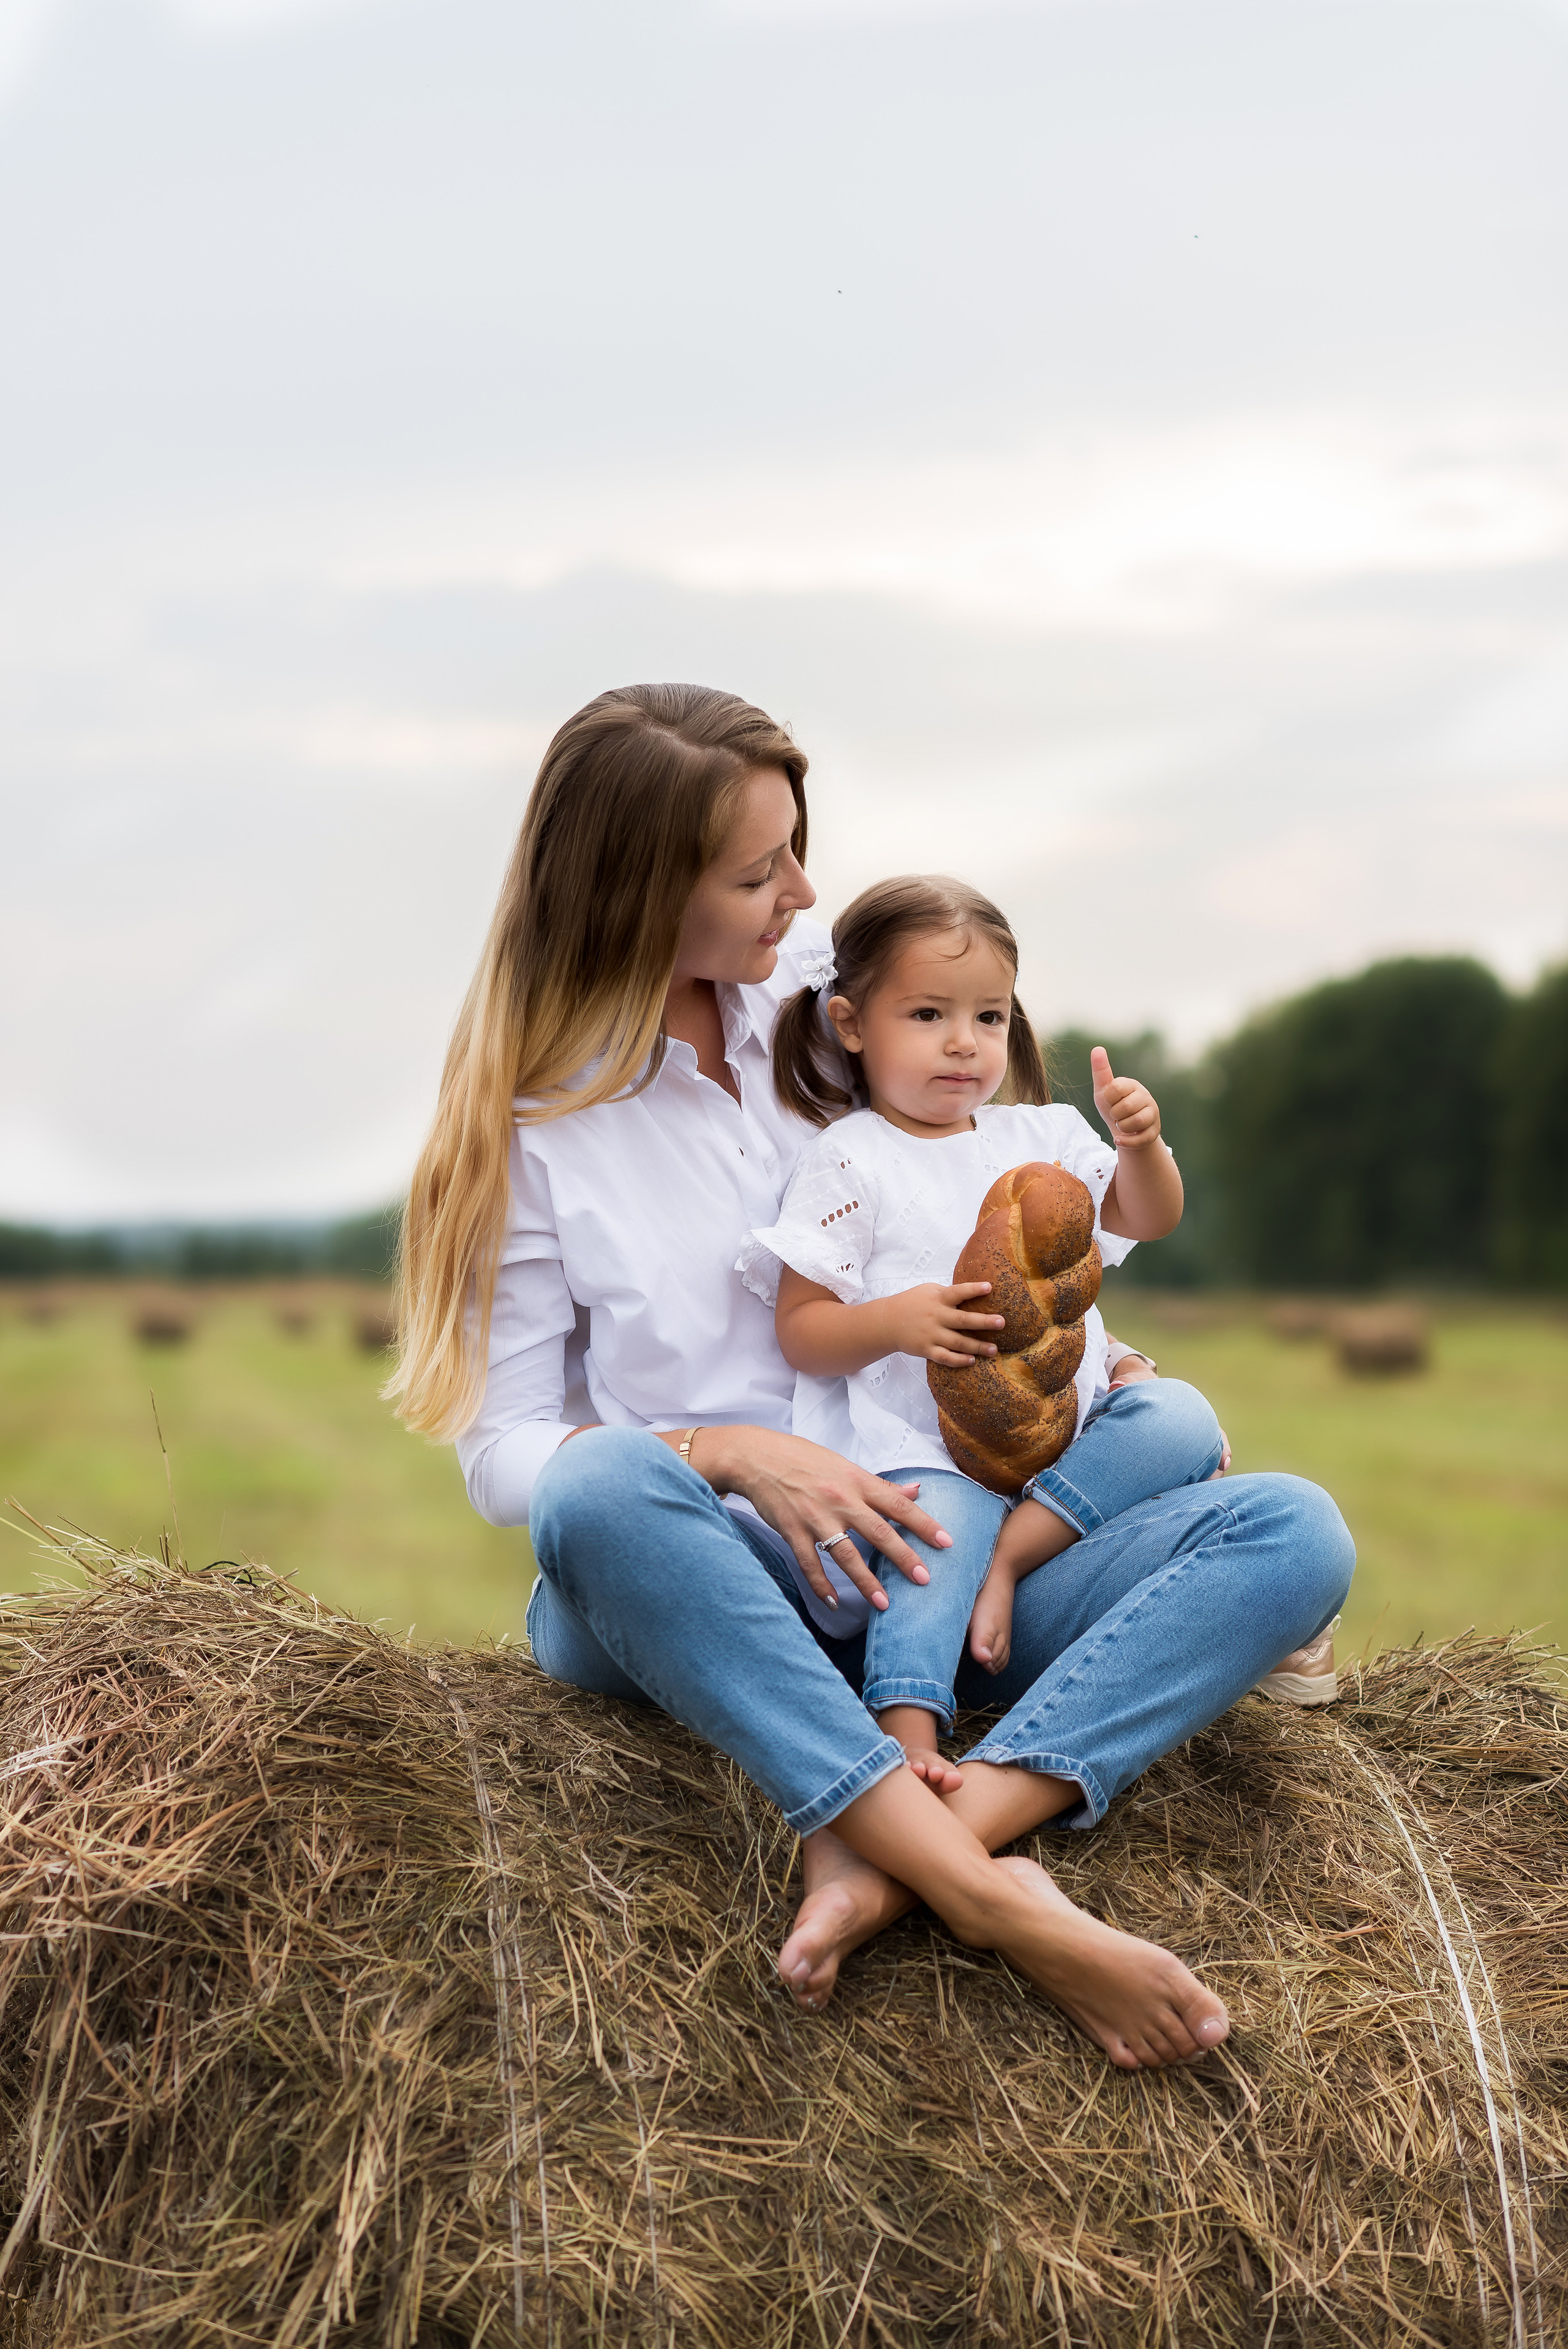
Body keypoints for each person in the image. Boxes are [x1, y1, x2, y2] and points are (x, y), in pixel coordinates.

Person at [390, 682, 1354, 2072]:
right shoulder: (534, 1128)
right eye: (755, 871)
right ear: (638, 892)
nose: (803, 887)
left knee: (1288, 1528)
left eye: (794, 844)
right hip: (706, 1581)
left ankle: (907, 1853)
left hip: (932, 1552)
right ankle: (989, 1901)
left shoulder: (832, 1009)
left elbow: (981, 1176)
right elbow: (505, 1455)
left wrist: (1068, 1346)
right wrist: (722, 1452)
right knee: (598, 1487)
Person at [741, 874, 1235, 1795]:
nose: (965, 1043)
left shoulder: (1042, 1135)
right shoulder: (850, 1160)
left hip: (1066, 1438)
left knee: (1181, 1416)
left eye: (991, 1018)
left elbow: (1146, 1215)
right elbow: (803, 1332)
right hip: (925, 1450)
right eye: (928, 1014)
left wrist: (1142, 1147)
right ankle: (908, 1719)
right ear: (852, 1024)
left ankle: (1010, 1563)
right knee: (938, 1524)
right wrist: (897, 1320)